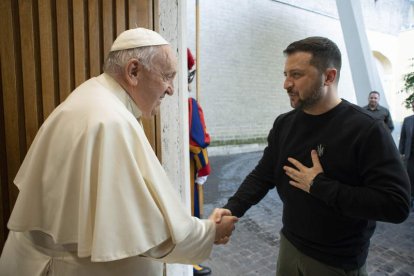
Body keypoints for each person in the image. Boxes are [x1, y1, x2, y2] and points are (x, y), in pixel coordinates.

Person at [0, 28, 238, 276]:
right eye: (167, 76)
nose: (171, 90)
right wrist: (210, 232)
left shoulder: (91, 96)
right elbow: (147, 232)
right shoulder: (111, 120)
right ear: (133, 71)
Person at [224, 36, 410, 276]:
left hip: (337, 261)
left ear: (329, 77)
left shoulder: (366, 129)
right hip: (290, 246)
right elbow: (264, 174)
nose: (286, 84)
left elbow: (397, 205)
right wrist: (232, 209)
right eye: (285, 74)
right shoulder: (284, 123)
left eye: (297, 75)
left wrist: (320, 186)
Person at [187, 48, 212, 276]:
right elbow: (199, 140)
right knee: (192, 212)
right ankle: (191, 262)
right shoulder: (189, 104)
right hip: (187, 169)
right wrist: (204, 168)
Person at [399, 102, 414, 209]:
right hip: (410, 155)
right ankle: (411, 199)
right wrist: (401, 152)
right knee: (410, 177)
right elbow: (403, 137)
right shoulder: (408, 119)